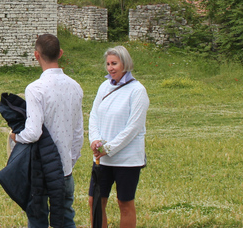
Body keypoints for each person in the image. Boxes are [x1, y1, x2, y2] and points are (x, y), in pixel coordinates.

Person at [10, 33, 84, 228]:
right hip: (65, 168)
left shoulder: (36, 89)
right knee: (66, 218)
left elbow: (33, 132)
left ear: (36, 55)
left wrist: (16, 136)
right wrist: (70, 161)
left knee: (37, 218)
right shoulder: (76, 87)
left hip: (40, 169)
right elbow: (78, 133)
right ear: (60, 53)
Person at [88, 46, 150, 228]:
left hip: (127, 160)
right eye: (108, 64)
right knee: (95, 201)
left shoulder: (137, 91)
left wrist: (109, 148)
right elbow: (94, 115)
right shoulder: (104, 86)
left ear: (125, 64)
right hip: (102, 159)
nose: (110, 68)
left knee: (124, 203)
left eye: (114, 63)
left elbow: (133, 127)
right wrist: (95, 140)